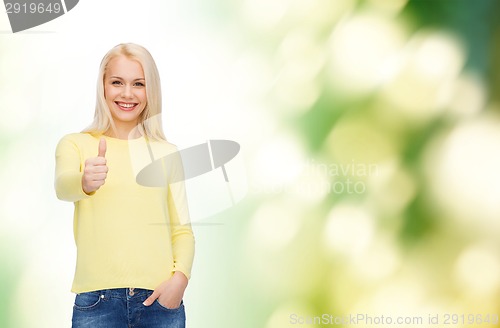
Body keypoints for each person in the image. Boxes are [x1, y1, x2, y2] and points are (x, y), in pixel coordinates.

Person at [55, 43, 195, 328]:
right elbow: (62, 187)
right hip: (97, 304)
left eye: (138, 84)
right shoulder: (76, 144)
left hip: (159, 303)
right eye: (117, 82)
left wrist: (179, 281)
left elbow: (182, 230)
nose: (127, 93)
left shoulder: (167, 153)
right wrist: (84, 181)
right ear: (103, 87)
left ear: (150, 91)